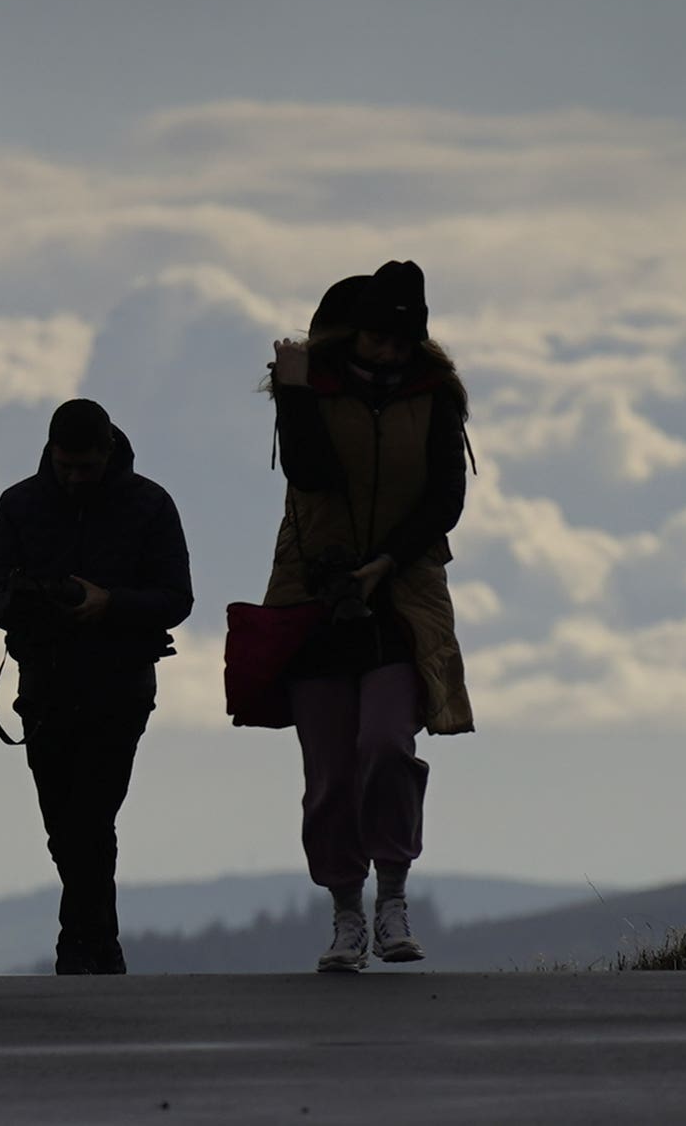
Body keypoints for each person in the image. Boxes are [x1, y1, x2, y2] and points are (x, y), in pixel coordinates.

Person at [264, 261, 473, 974]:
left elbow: (446, 495)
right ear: (353, 334)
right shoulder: (310, 388)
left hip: (401, 594)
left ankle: (391, 897)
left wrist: (389, 558)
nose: (389, 351)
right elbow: (308, 471)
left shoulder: (434, 395)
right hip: (316, 594)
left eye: (401, 338)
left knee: (385, 742)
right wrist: (292, 392)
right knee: (327, 767)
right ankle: (345, 914)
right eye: (379, 338)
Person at [0, 398, 193, 974]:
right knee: (63, 824)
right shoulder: (19, 504)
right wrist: (30, 606)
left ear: (108, 453)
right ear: (52, 453)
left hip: (118, 684)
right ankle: (100, 945)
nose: (75, 478)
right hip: (45, 683)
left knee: (90, 817)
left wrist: (109, 604)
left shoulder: (149, 504)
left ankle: (79, 946)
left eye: (86, 467)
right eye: (66, 466)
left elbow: (177, 599)